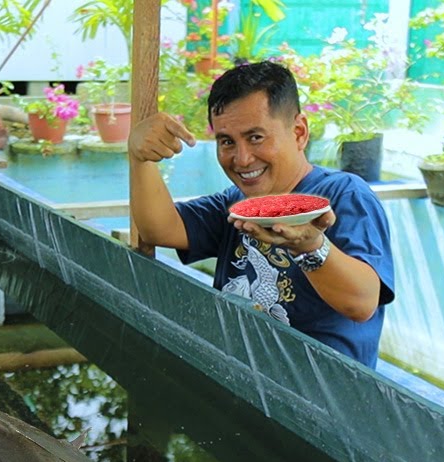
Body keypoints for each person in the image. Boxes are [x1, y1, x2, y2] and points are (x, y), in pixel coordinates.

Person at [127, 61, 396, 368]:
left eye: (255, 137)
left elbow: (362, 303)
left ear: (298, 133)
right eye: (227, 141)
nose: (241, 159)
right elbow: (159, 229)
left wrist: (310, 246)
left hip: (323, 404)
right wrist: (140, 159)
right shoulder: (237, 202)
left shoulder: (344, 194)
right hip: (244, 387)